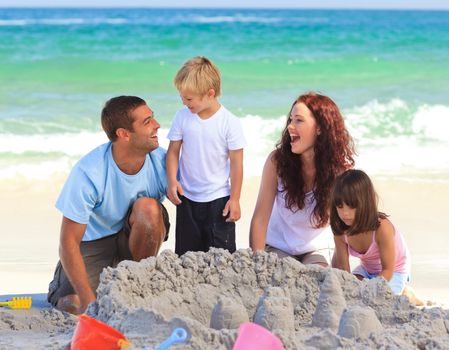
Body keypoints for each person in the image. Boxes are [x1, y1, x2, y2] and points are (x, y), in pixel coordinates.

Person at [47, 96, 169, 314]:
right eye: (147, 121)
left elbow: (198, 201)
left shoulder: (162, 162)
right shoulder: (89, 172)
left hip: (132, 240)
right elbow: (68, 241)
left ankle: (140, 286)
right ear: (124, 134)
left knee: (149, 208)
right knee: (74, 304)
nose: (157, 125)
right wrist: (89, 302)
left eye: (153, 118)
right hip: (94, 245)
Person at [250, 92, 354, 266]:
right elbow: (260, 219)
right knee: (283, 273)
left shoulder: (340, 171)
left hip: (316, 250)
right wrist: (257, 264)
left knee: (315, 279)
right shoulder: (277, 162)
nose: (290, 126)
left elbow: (345, 228)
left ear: (320, 127)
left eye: (298, 120)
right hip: (278, 246)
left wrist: (343, 276)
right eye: (290, 120)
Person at [166, 56, 246, 256]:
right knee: (186, 256)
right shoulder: (182, 117)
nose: (184, 103)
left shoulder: (229, 122)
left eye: (189, 99)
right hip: (187, 199)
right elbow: (173, 152)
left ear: (210, 94)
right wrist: (172, 182)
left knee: (222, 257)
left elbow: (237, 164)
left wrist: (235, 199)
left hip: (219, 200)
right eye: (182, 98)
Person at [330, 169, 414, 296]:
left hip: (394, 271)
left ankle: (406, 292)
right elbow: (344, 272)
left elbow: (388, 270)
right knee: (349, 288)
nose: (345, 213)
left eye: (351, 206)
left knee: (382, 297)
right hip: (366, 270)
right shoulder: (340, 229)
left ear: (365, 202)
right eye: (340, 206)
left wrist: (368, 288)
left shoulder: (381, 228)